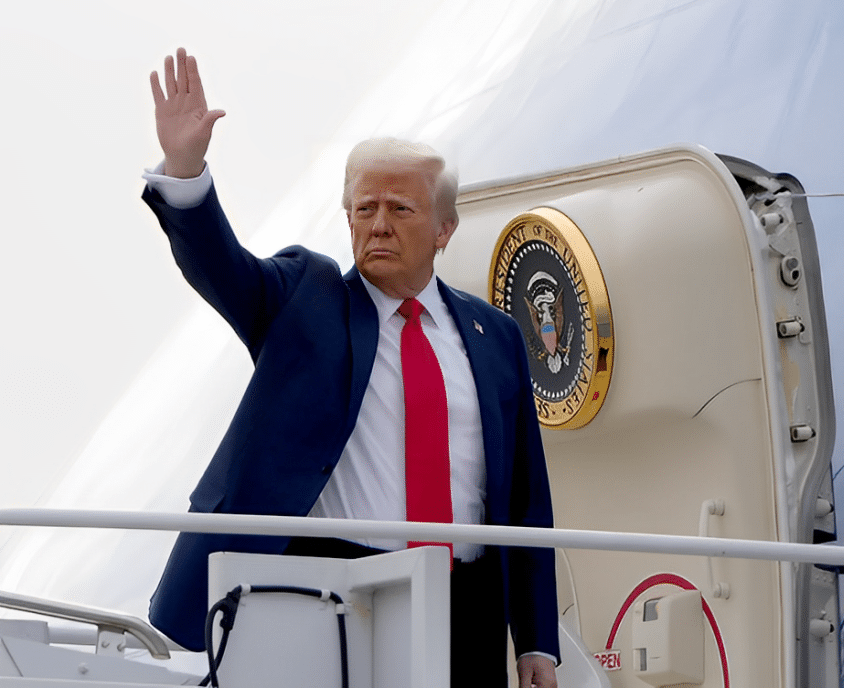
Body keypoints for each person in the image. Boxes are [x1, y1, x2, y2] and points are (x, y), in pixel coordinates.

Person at [142, 48, 559, 688]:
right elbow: (222, 267)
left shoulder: (496, 335)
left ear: (444, 227)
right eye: (364, 209)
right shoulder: (306, 298)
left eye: (400, 208)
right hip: (336, 588)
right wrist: (186, 169)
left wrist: (536, 642)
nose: (379, 225)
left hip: (467, 599)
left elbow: (527, 503)